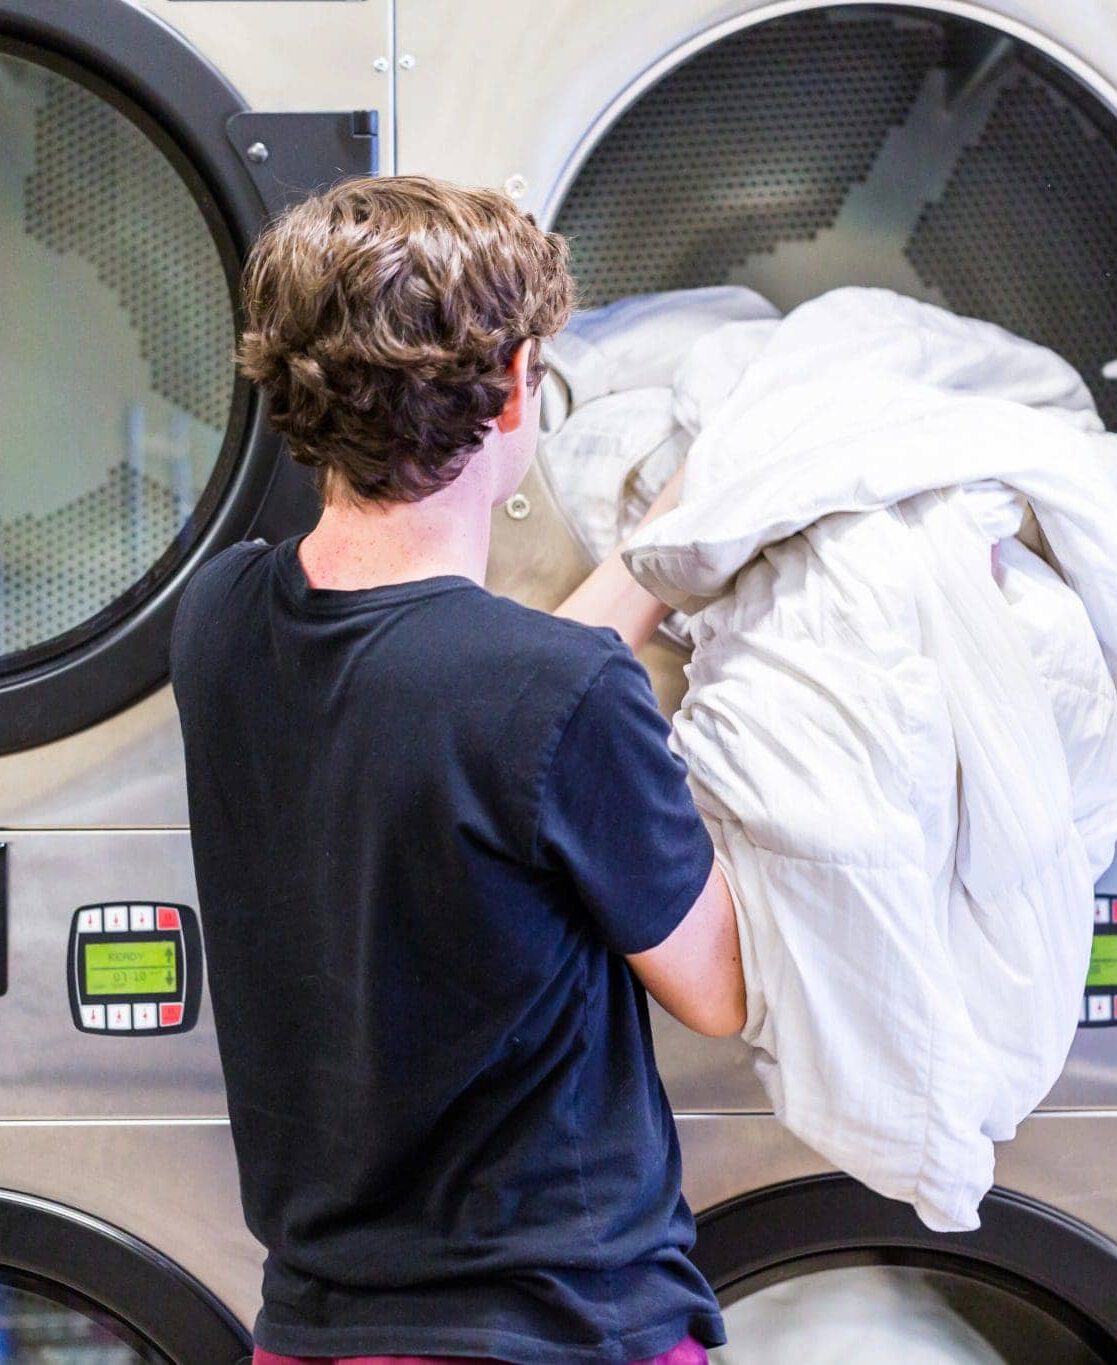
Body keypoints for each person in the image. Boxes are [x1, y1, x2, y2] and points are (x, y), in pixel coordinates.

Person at [170, 176, 744, 1365]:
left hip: (318, 1328)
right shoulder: (559, 699)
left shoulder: (218, 621)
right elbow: (717, 989)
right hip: (557, 1328)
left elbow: (466, 689)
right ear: (519, 388)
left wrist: (663, 546)